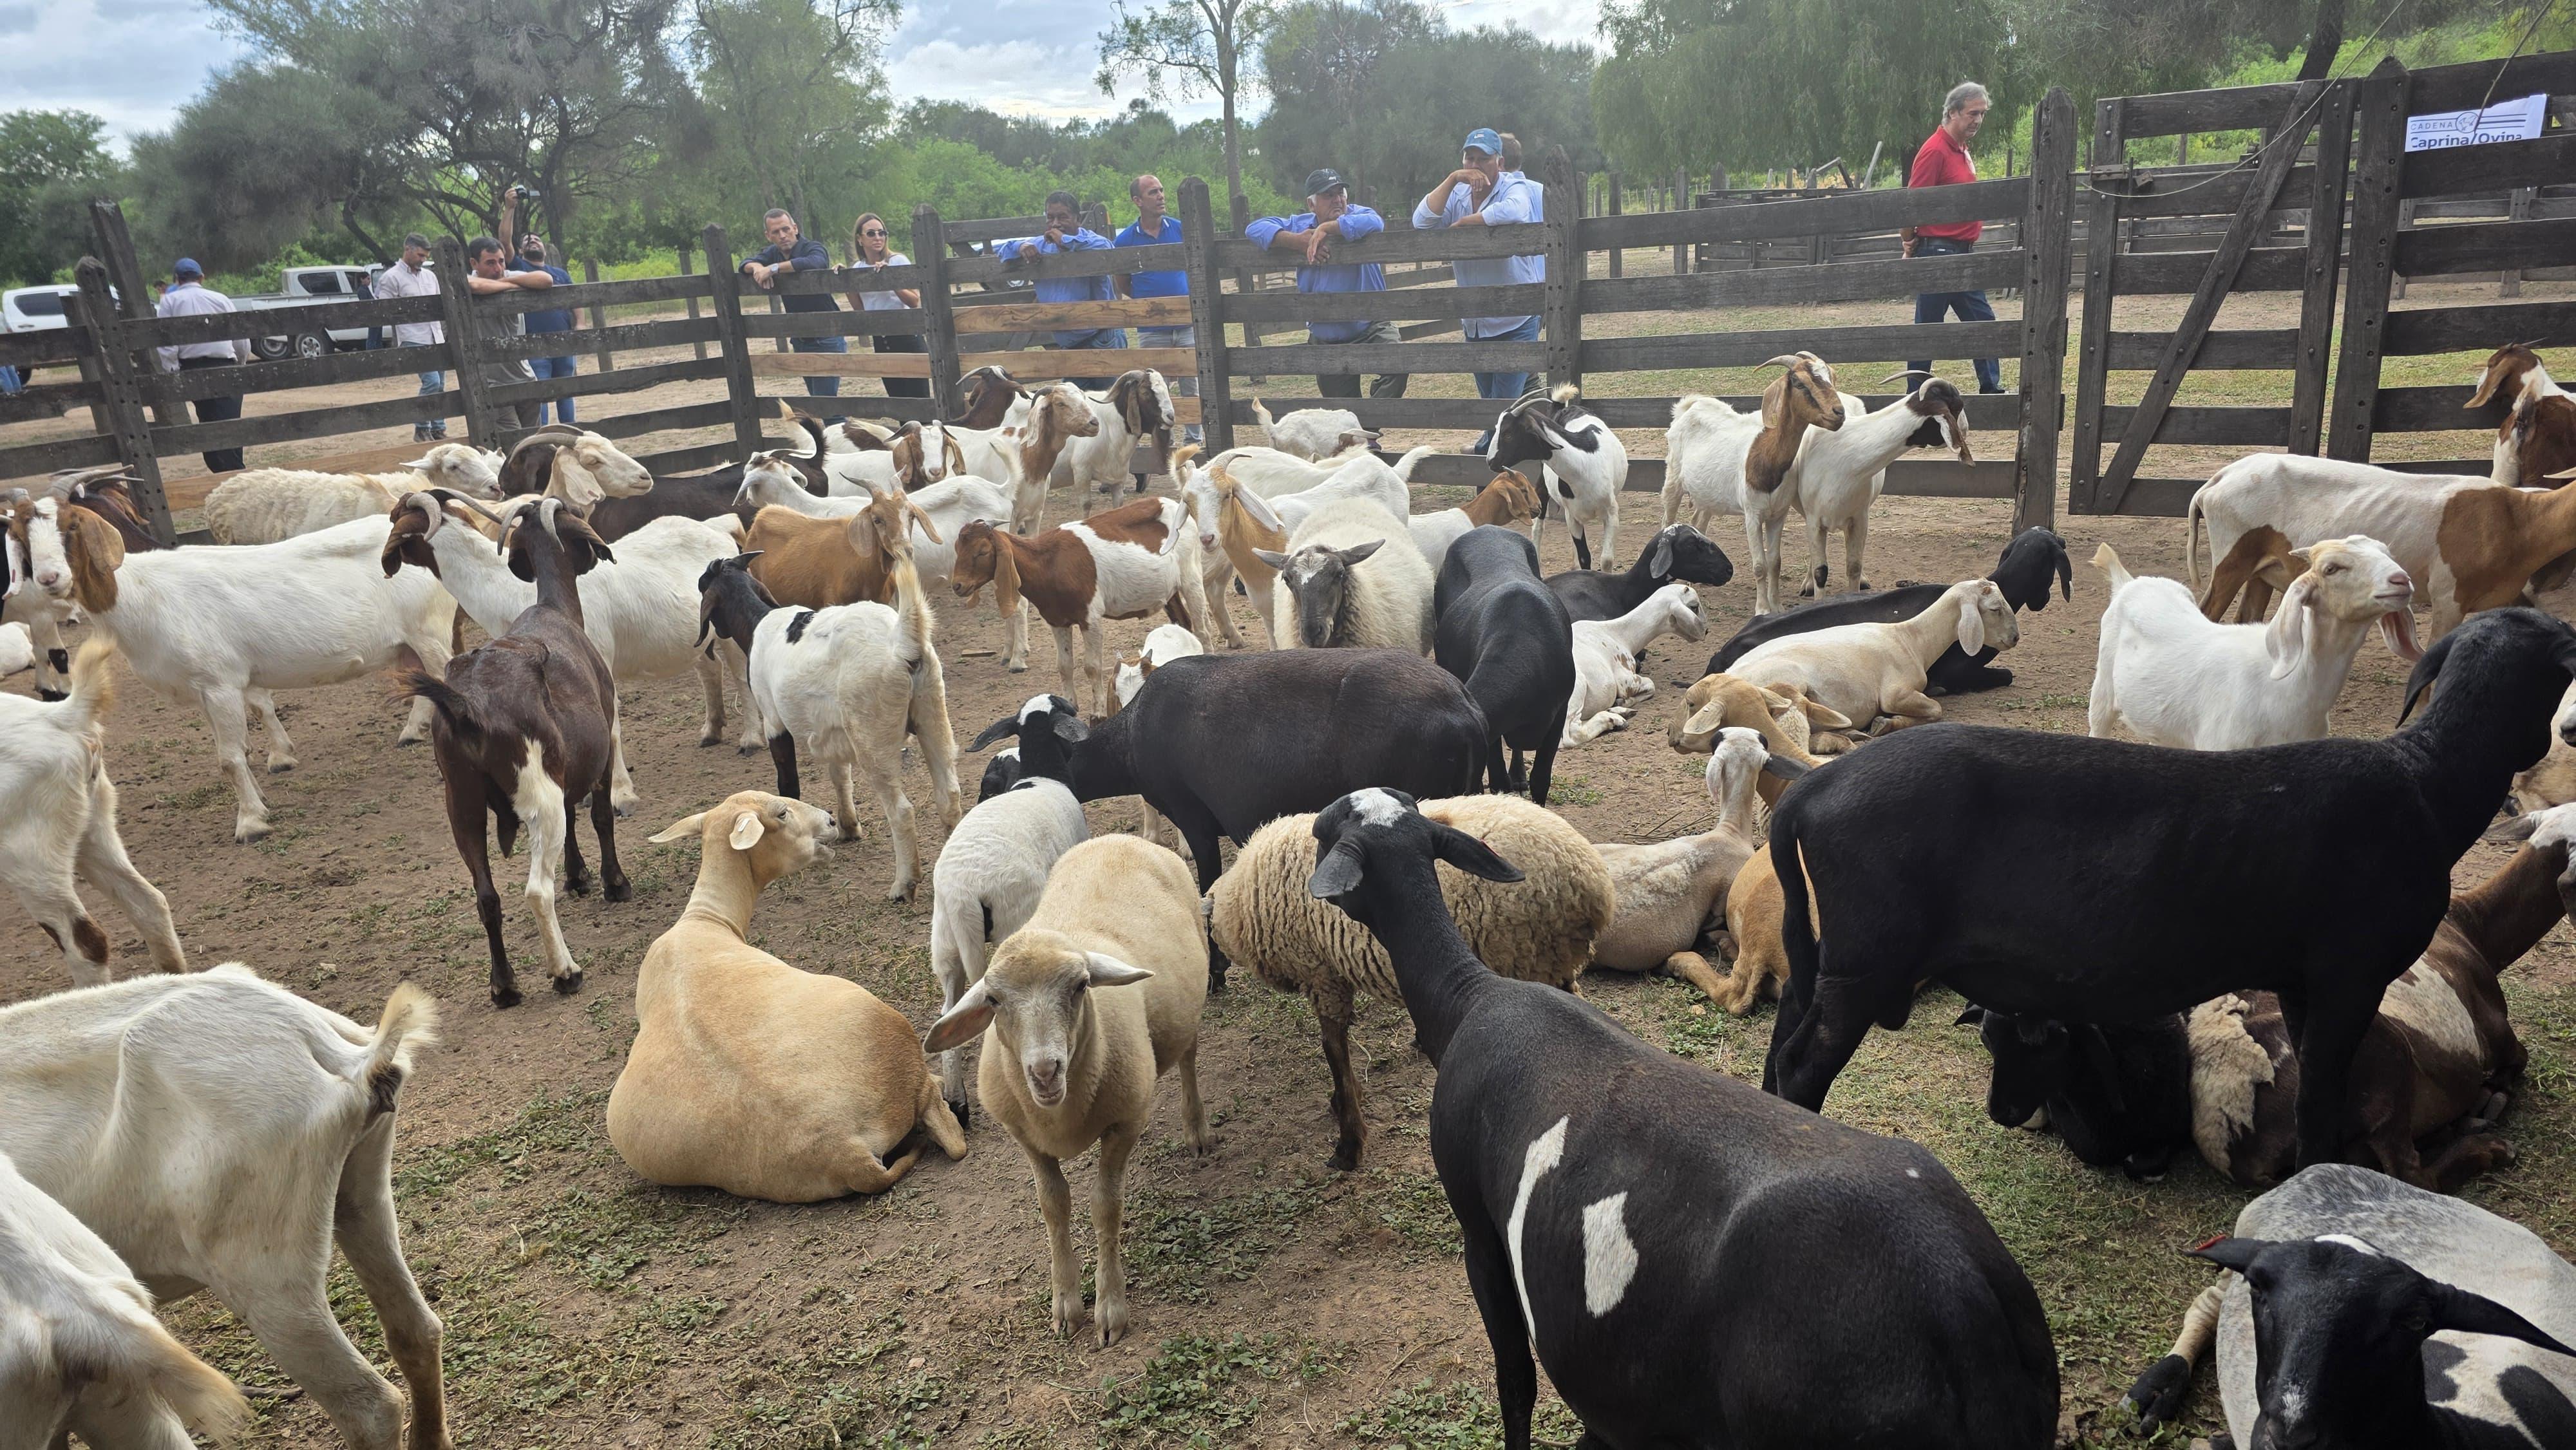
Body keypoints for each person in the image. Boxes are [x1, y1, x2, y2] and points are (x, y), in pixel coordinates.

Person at [1415, 128, 1544, 448]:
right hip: (1475, 320)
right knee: (1493, 405)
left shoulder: (1512, 185)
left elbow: (1516, 210)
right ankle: (1520, 461)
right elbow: (1421, 221)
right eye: (1469, 158)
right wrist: (1451, 179)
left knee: (1502, 410)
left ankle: (1485, 465)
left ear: (1499, 162)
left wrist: (1468, 224)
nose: (1475, 164)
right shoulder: (1457, 194)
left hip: (1515, 318)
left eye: (1483, 158)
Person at [1246, 169, 1405, 399]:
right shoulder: (1299, 225)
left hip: (1370, 325)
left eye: (1340, 193)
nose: (1338, 199)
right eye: (1328, 195)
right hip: (1327, 334)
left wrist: (1326, 229)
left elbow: (1375, 222)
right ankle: (1359, 432)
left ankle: (1368, 429)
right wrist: (1296, 242)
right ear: (1311, 204)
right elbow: (1254, 228)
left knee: (1399, 362)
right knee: (1342, 409)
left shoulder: (1360, 214)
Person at [1900, 80, 2005, 395]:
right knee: (1929, 329)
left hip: (1960, 252)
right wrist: (1909, 241)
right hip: (1939, 253)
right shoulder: (1935, 150)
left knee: (1981, 320)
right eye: (1973, 113)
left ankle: (1990, 386)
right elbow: (1913, 202)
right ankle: (1914, 396)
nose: (1978, 120)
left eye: (1982, 114)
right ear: (1952, 112)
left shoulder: (1961, 150)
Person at [995, 191, 1124, 390]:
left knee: (1106, 402)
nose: (1055, 223)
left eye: (1062, 217)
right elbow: (1003, 249)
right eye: (1050, 217)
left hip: (1100, 337)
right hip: (1068, 342)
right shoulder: (1042, 244)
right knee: (1077, 407)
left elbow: (1108, 250)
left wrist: (1065, 241)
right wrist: (1022, 246)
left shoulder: (1090, 241)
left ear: (1078, 219)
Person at [1113, 173, 1199, 443]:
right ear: (1137, 201)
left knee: (1192, 382)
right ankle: (1166, 440)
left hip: (1186, 320)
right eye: (1153, 192)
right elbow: (1123, 282)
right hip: (1152, 327)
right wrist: (1148, 305)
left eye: (1162, 191)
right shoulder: (1126, 240)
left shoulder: (1181, 229)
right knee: (1157, 388)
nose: (1161, 196)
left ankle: (1194, 440)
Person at [741, 208, 846, 422]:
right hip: (801, 338)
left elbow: (815, 263)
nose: (782, 235)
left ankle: (840, 452)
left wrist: (773, 269)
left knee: (827, 406)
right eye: (776, 232)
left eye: (786, 229)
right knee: (818, 404)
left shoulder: (812, 248)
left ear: (795, 229)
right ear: (768, 235)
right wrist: (757, 267)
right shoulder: (773, 253)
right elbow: (744, 264)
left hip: (827, 335)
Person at [464, 189, 554, 429]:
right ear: (474, 264)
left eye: (501, 261)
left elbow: (546, 280)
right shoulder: (469, 281)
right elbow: (473, 285)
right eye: (490, 263)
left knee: (533, 439)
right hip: (493, 382)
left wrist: (502, 283)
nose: (499, 268)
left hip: (524, 375)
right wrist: (510, 285)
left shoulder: (509, 276)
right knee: (512, 439)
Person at [153, 258, 252, 475]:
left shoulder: (170, 301)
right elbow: (240, 337)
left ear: (177, 280)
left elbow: (166, 340)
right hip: (225, 364)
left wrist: (172, 370)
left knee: (206, 419)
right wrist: (241, 362)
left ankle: (220, 469)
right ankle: (234, 470)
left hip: (193, 368)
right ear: (202, 277)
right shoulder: (220, 299)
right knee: (230, 421)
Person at [372, 232, 448, 441]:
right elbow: (382, 308)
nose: (423, 260)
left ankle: (437, 427)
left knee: (440, 383)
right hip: (412, 335)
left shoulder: (430, 276)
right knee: (431, 381)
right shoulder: (392, 277)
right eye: (421, 255)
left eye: (425, 256)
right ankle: (422, 427)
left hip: (435, 334)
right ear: (408, 250)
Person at [846, 212, 927, 399]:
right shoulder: (858, 268)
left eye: (882, 233)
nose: (878, 238)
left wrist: (890, 279)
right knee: (898, 400)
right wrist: (845, 280)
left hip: (906, 336)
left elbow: (914, 301)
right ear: (860, 239)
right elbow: (860, 308)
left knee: (918, 399)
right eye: (871, 234)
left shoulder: (898, 260)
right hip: (881, 339)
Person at [507, 233, 577, 424]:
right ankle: (543, 439)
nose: (533, 242)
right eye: (527, 241)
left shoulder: (560, 274)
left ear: (544, 249)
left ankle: (570, 433)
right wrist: (510, 209)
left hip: (564, 342)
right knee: (540, 394)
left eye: (537, 240)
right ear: (520, 251)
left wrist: (581, 325)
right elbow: (505, 241)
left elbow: (576, 299)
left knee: (566, 391)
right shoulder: (519, 268)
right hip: (534, 344)